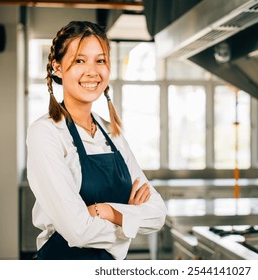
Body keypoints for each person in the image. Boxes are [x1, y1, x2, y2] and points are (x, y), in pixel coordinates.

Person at [26, 21, 167, 260]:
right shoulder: (46, 133)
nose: (92, 71)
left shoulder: (112, 132)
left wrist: (108, 211)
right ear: (57, 68)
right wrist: (130, 218)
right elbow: (79, 231)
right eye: (80, 60)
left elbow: (157, 214)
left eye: (100, 60)